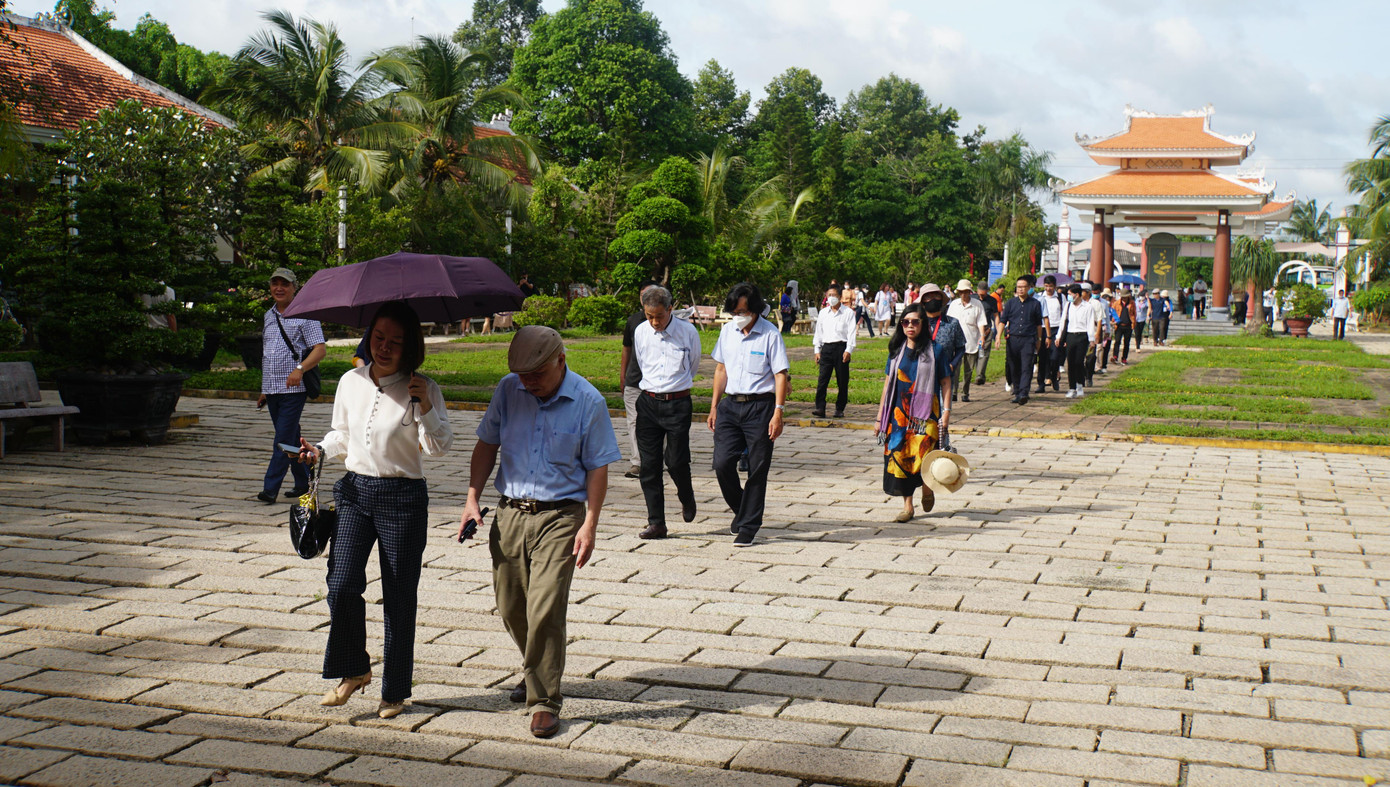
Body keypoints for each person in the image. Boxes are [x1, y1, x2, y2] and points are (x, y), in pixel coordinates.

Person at [461, 326, 621, 738]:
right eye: (522, 374)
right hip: (510, 513)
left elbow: (598, 467)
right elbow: (486, 444)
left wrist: (591, 524)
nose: (527, 382)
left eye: (536, 374)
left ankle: (545, 701)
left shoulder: (588, 401)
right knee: (511, 603)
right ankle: (536, 669)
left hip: (561, 516)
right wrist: (471, 497)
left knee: (545, 606)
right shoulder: (509, 390)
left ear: (560, 360)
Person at [298, 301, 452, 719]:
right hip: (355, 492)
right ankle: (353, 669)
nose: (384, 348)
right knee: (342, 582)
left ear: (410, 347)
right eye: (378, 338)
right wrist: (319, 450)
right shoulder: (351, 380)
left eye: (395, 342)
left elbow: (439, 448)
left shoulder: (424, 387)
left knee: (399, 596)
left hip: (403, 499)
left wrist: (424, 408)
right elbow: (343, 434)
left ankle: (395, 690)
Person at [708, 283, 790, 547]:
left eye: (743, 310)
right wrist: (714, 406)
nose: (738, 315)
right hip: (730, 406)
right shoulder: (727, 331)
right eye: (734, 311)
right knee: (722, 463)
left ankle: (749, 525)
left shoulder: (770, 335)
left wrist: (778, 412)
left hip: (761, 407)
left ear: (754, 310)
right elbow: (721, 369)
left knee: (757, 469)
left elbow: (780, 375)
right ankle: (743, 509)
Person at [874, 299, 959, 522]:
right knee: (901, 458)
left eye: (915, 322)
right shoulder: (895, 351)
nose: (910, 326)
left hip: (926, 415)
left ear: (923, 325)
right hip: (898, 415)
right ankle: (908, 506)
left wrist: (947, 412)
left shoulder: (936, 351)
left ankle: (928, 487)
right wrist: (879, 417)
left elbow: (946, 383)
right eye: (905, 322)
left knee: (923, 456)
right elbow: (887, 384)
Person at [632, 286, 701, 540]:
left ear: (670, 309)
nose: (654, 321)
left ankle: (686, 495)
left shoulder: (688, 333)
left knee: (675, 460)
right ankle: (656, 523)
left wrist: (675, 388)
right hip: (648, 403)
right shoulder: (641, 331)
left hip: (678, 404)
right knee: (649, 465)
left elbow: (692, 366)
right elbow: (641, 362)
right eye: (649, 316)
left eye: (658, 316)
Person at [257, 268, 326, 504]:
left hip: (294, 389)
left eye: (284, 284)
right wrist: (265, 389)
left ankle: (270, 489)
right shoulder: (268, 315)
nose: (279, 288)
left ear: (294, 288)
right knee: (292, 438)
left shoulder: (306, 315)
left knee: (282, 438)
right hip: (273, 388)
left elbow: (320, 349)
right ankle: (303, 482)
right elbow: (268, 354)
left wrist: (300, 369)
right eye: (274, 283)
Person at [619, 281, 660, 480]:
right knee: (634, 421)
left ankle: (658, 459)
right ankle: (637, 462)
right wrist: (623, 375)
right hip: (635, 380)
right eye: (643, 296)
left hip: (659, 383)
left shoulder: (668, 321)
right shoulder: (633, 321)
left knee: (660, 423)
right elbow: (627, 349)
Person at [997, 276, 1044, 405]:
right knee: (1014, 366)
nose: (1021, 289)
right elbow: (1003, 321)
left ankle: (1024, 392)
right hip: (1013, 339)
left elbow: (1038, 324)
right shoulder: (1011, 303)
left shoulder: (1035, 304)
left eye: (1023, 287)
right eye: (1018, 287)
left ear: (1029, 288)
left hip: (1028, 339)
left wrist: (1039, 340)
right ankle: (1017, 391)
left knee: (1026, 366)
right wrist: (998, 337)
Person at [812, 284, 856, 418]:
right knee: (822, 380)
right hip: (826, 348)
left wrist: (849, 350)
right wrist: (817, 350)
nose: (831, 298)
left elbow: (851, 332)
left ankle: (840, 408)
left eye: (834, 295)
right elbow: (818, 332)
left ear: (840, 297)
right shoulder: (823, 313)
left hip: (841, 348)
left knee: (842, 380)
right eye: (829, 295)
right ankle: (820, 407)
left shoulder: (848, 312)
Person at [946, 279, 987, 403]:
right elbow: (948, 322)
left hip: (971, 341)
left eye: (966, 292)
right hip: (956, 343)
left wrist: (982, 336)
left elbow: (981, 322)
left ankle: (965, 392)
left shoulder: (977, 304)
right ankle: (953, 392)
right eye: (961, 292)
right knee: (955, 369)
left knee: (968, 371)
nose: (963, 295)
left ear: (970, 292)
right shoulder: (954, 304)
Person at [1056, 284, 1095, 399]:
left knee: (1079, 362)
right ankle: (1072, 388)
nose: (1068, 296)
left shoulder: (1087, 307)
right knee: (1071, 363)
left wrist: (1091, 339)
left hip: (1082, 336)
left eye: (1070, 294)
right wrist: (1059, 336)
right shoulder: (1068, 306)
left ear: (1077, 294)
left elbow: (1090, 323)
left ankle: (1079, 384)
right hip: (1070, 336)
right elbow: (1063, 322)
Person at [1035, 275, 1064, 394]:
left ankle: (1053, 376)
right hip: (1042, 329)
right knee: (1042, 357)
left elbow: (1064, 315)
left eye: (1050, 286)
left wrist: (1062, 334)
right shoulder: (1040, 298)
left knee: (1054, 357)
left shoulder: (1061, 298)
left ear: (1055, 286)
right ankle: (1041, 383)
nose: (1048, 289)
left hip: (1056, 330)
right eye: (1046, 286)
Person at [974, 280, 998, 386]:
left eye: (983, 294)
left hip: (987, 330)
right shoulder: (972, 299)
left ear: (987, 291)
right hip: (974, 331)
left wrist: (996, 331)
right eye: (980, 294)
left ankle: (979, 375)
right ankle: (980, 374)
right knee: (974, 353)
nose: (981, 297)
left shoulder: (992, 301)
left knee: (984, 353)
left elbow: (996, 316)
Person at [1112, 291, 1136, 365]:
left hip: (1128, 325)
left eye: (1125, 297)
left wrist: (1133, 322)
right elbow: (1113, 312)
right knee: (1117, 341)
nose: (1124, 298)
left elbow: (1134, 314)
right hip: (1119, 325)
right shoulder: (1116, 303)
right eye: (1123, 297)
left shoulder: (1132, 303)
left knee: (1126, 343)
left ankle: (1124, 358)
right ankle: (1115, 356)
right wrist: (1114, 321)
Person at [1134, 286, 1149, 352]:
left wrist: (1147, 298)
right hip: (1136, 318)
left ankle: (1139, 342)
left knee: (1140, 332)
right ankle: (1137, 347)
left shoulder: (1146, 302)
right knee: (1137, 332)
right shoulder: (1136, 301)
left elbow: (1149, 307)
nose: (1141, 297)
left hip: (1142, 318)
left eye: (1143, 296)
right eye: (1141, 296)